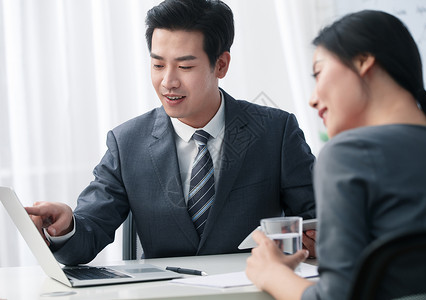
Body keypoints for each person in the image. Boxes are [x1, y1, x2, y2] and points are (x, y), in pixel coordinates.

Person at [25, 0, 316, 266]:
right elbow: (88, 234)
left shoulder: (275, 132)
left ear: (221, 64)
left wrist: (318, 241)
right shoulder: (127, 143)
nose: (168, 82)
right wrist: (65, 227)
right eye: (158, 65)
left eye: (185, 66)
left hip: (254, 290)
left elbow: (318, 219)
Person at [246, 9, 426, 300]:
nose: (312, 98)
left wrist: (272, 273)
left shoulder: (348, 154)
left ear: (363, 61)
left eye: (318, 73)